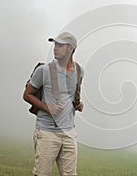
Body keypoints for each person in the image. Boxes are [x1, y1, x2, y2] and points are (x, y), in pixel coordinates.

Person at [23, 32, 84, 176]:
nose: (55, 48)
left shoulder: (80, 71)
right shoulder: (43, 70)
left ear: (71, 49)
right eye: (55, 44)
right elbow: (27, 94)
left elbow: (69, 95)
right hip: (46, 132)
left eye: (60, 45)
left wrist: (78, 104)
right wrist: (47, 107)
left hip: (69, 132)